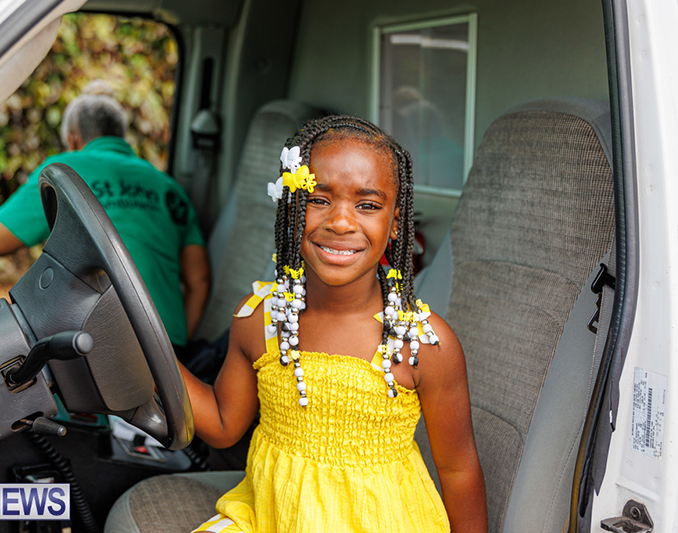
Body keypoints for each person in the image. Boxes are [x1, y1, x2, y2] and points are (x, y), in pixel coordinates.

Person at [179, 115, 487, 532]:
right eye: (318, 199)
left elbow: (458, 470)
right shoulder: (261, 318)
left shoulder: (422, 343)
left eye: (368, 205)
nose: (340, 222)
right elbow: (221, 423)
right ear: (290, 209)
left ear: (396, 222)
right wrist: (146, 350)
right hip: (271, 517)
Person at [0, 84, 210, 353]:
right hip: (169, 348)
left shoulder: (65, 172)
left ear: (72, 140)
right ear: (121, 136)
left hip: (95, 346)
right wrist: (173, 355)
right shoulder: (169, 188)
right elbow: (199, 281)